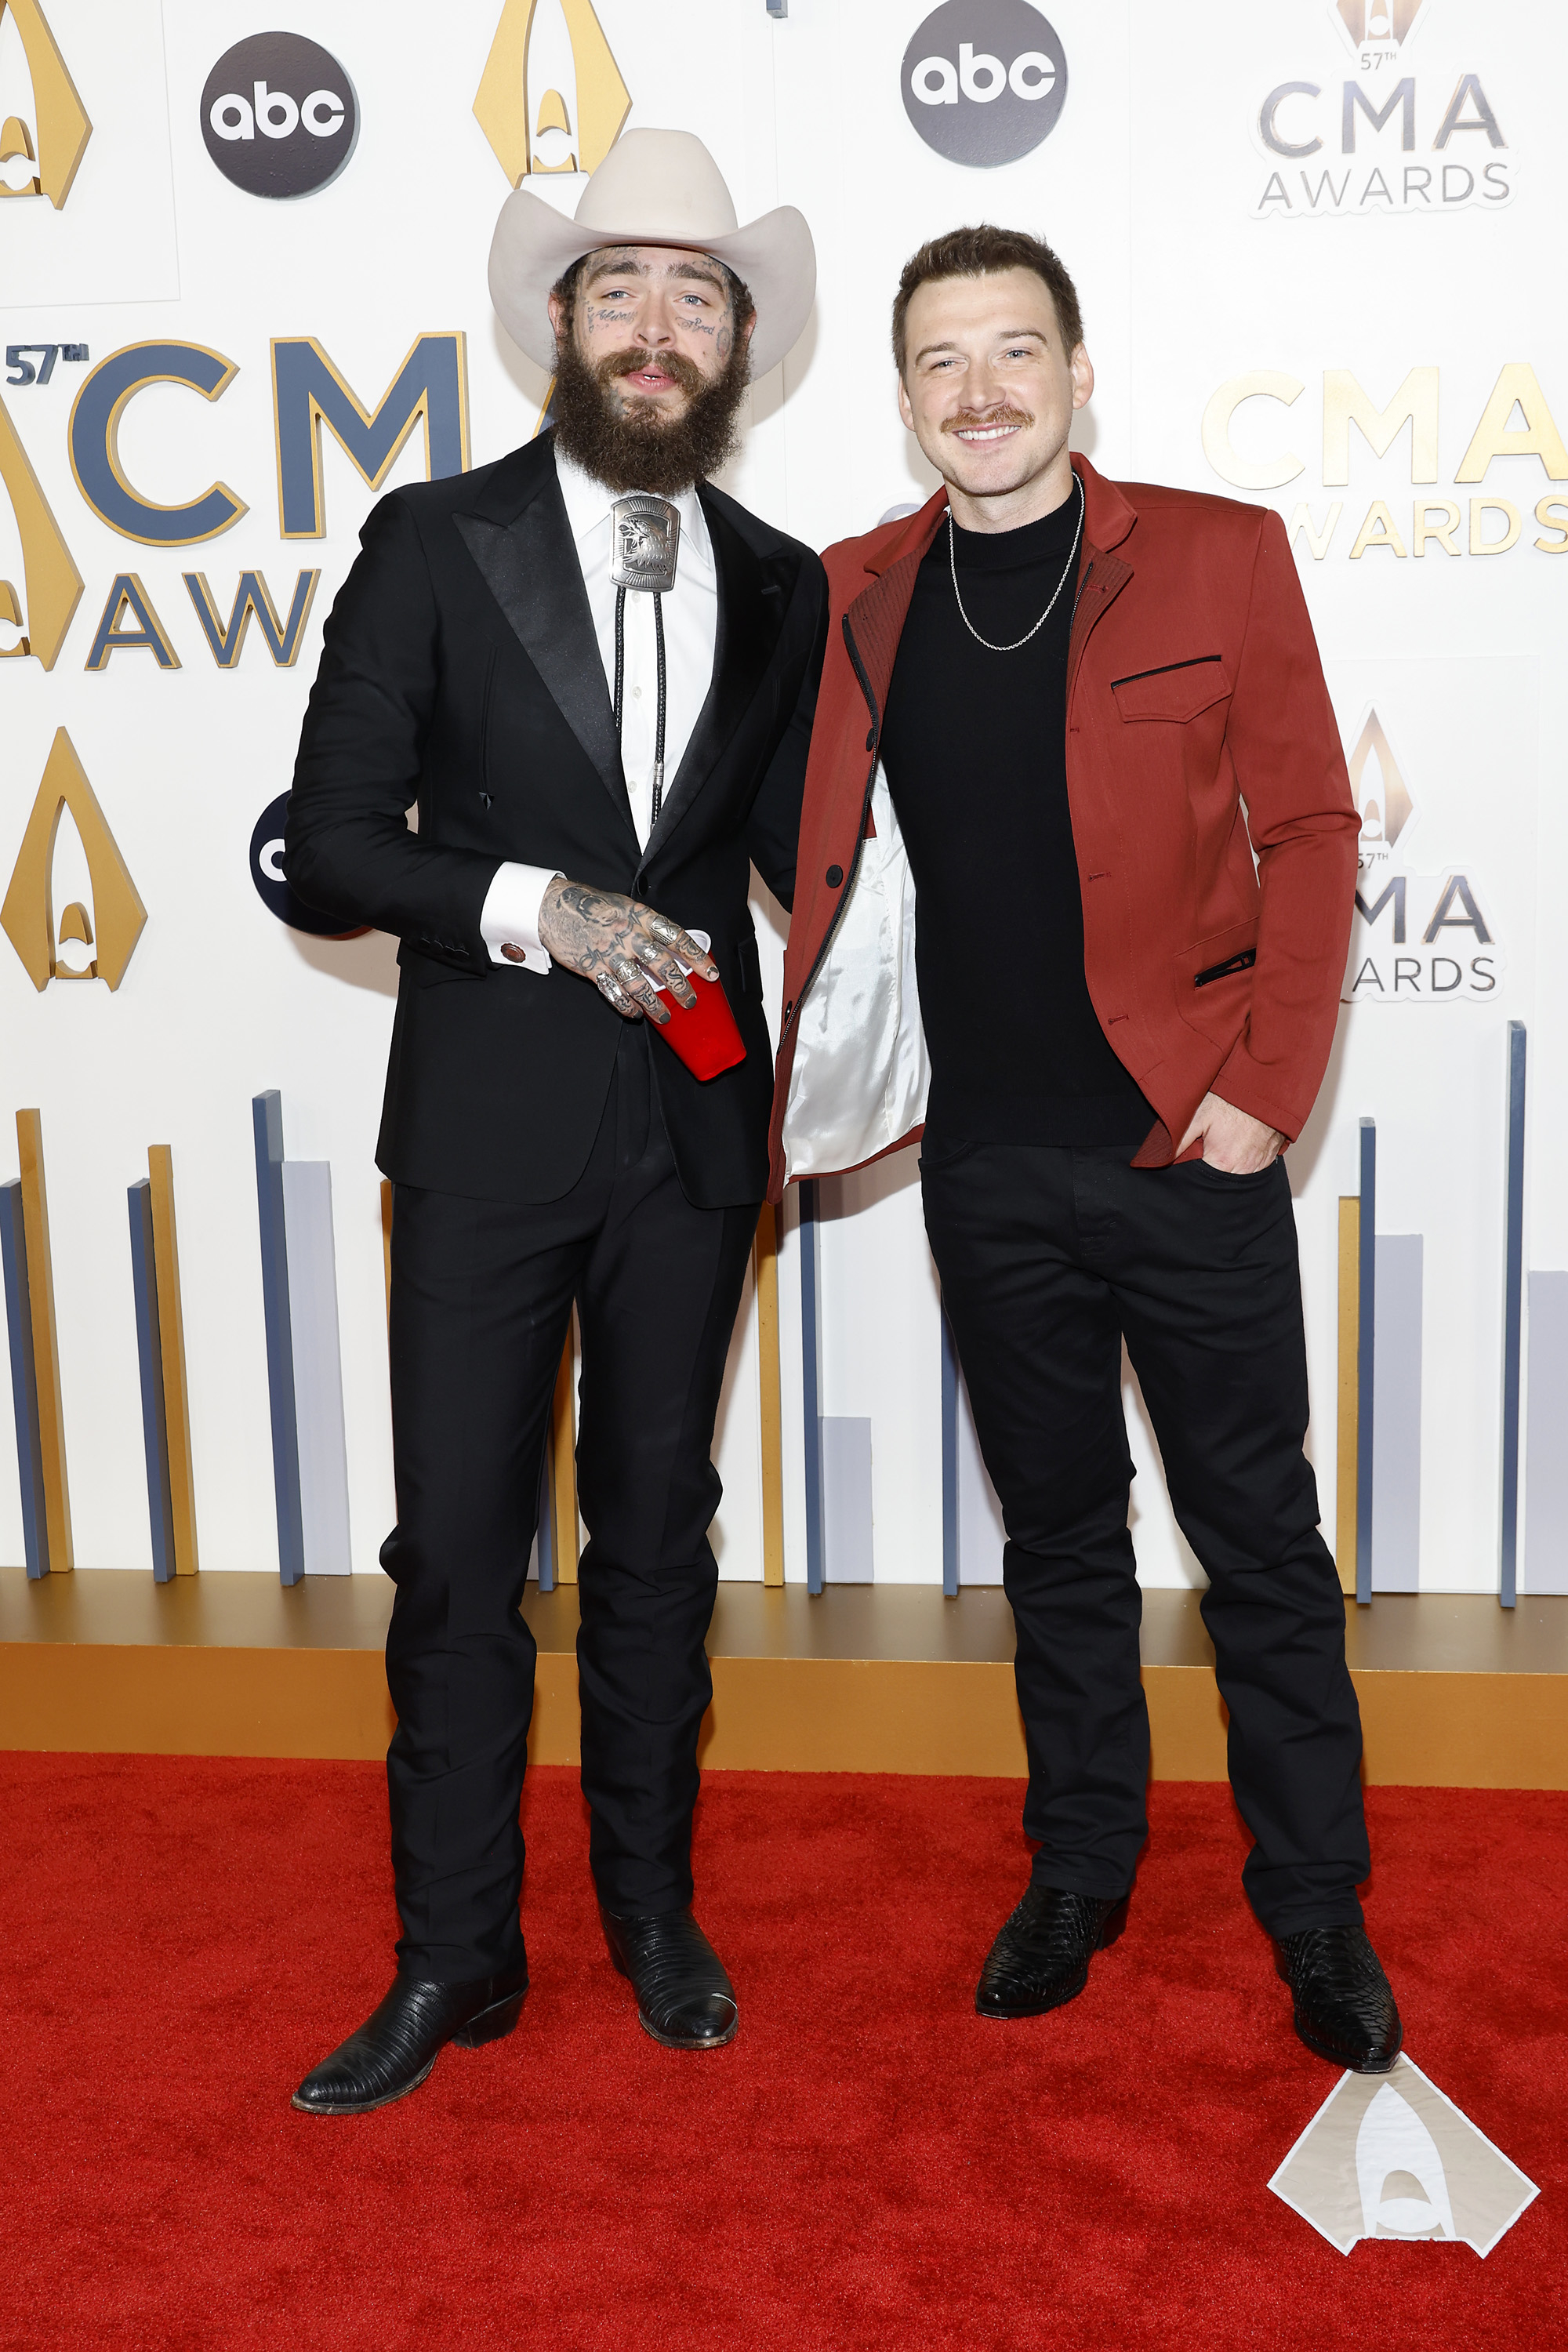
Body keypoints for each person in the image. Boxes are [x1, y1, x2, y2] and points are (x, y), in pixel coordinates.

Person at [769, 225, 1399, 2073]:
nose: (980, 390)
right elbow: (803, 849)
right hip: (982, 1168)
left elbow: (1313, 826)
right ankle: (1079, 1868)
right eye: (942, 362)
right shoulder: (855, 593)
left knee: (1257, 1546)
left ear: (1078, 371)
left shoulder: (1216, 552)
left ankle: (1317, 1910)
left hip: (1182, 1151)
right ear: (902, 402)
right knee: (1056, 1544)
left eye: (1014, 351)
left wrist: (1264, 1095)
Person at [285, 131, 826, 2113]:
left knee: (660, 1546)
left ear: (737, 343)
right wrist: (529, 908)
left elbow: (812, 874)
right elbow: (328, 848)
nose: (657, 325)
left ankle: (652, 1916)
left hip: (694, 1140)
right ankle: (454, 1961)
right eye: (621, 290)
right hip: (485, 1136)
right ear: (560, 328)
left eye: (695, 294)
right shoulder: (435, 540)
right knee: (454, 1561)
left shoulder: (783, 585)